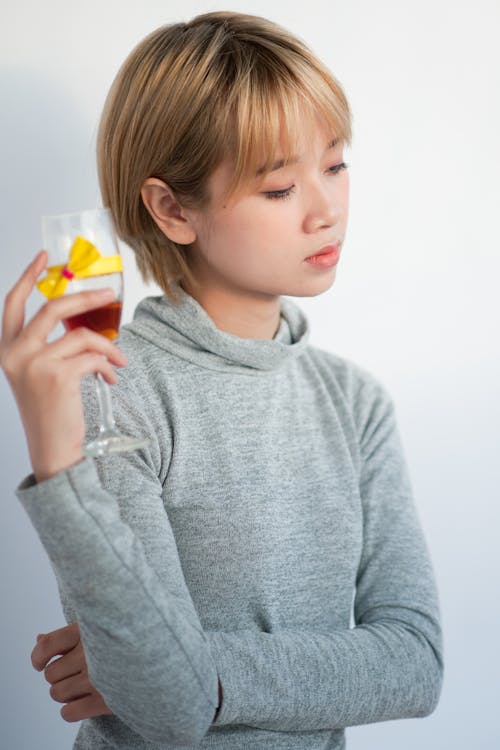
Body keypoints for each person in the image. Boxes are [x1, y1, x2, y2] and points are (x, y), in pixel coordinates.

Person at [0, 10, 443, 750]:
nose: (327, 210)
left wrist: (182, 666)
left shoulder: (355, 402)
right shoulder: (112, 389)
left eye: (335, 165)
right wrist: (59, 466)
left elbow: (417, 665)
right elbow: (169, 711)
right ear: (173, 209)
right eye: (278, 190)